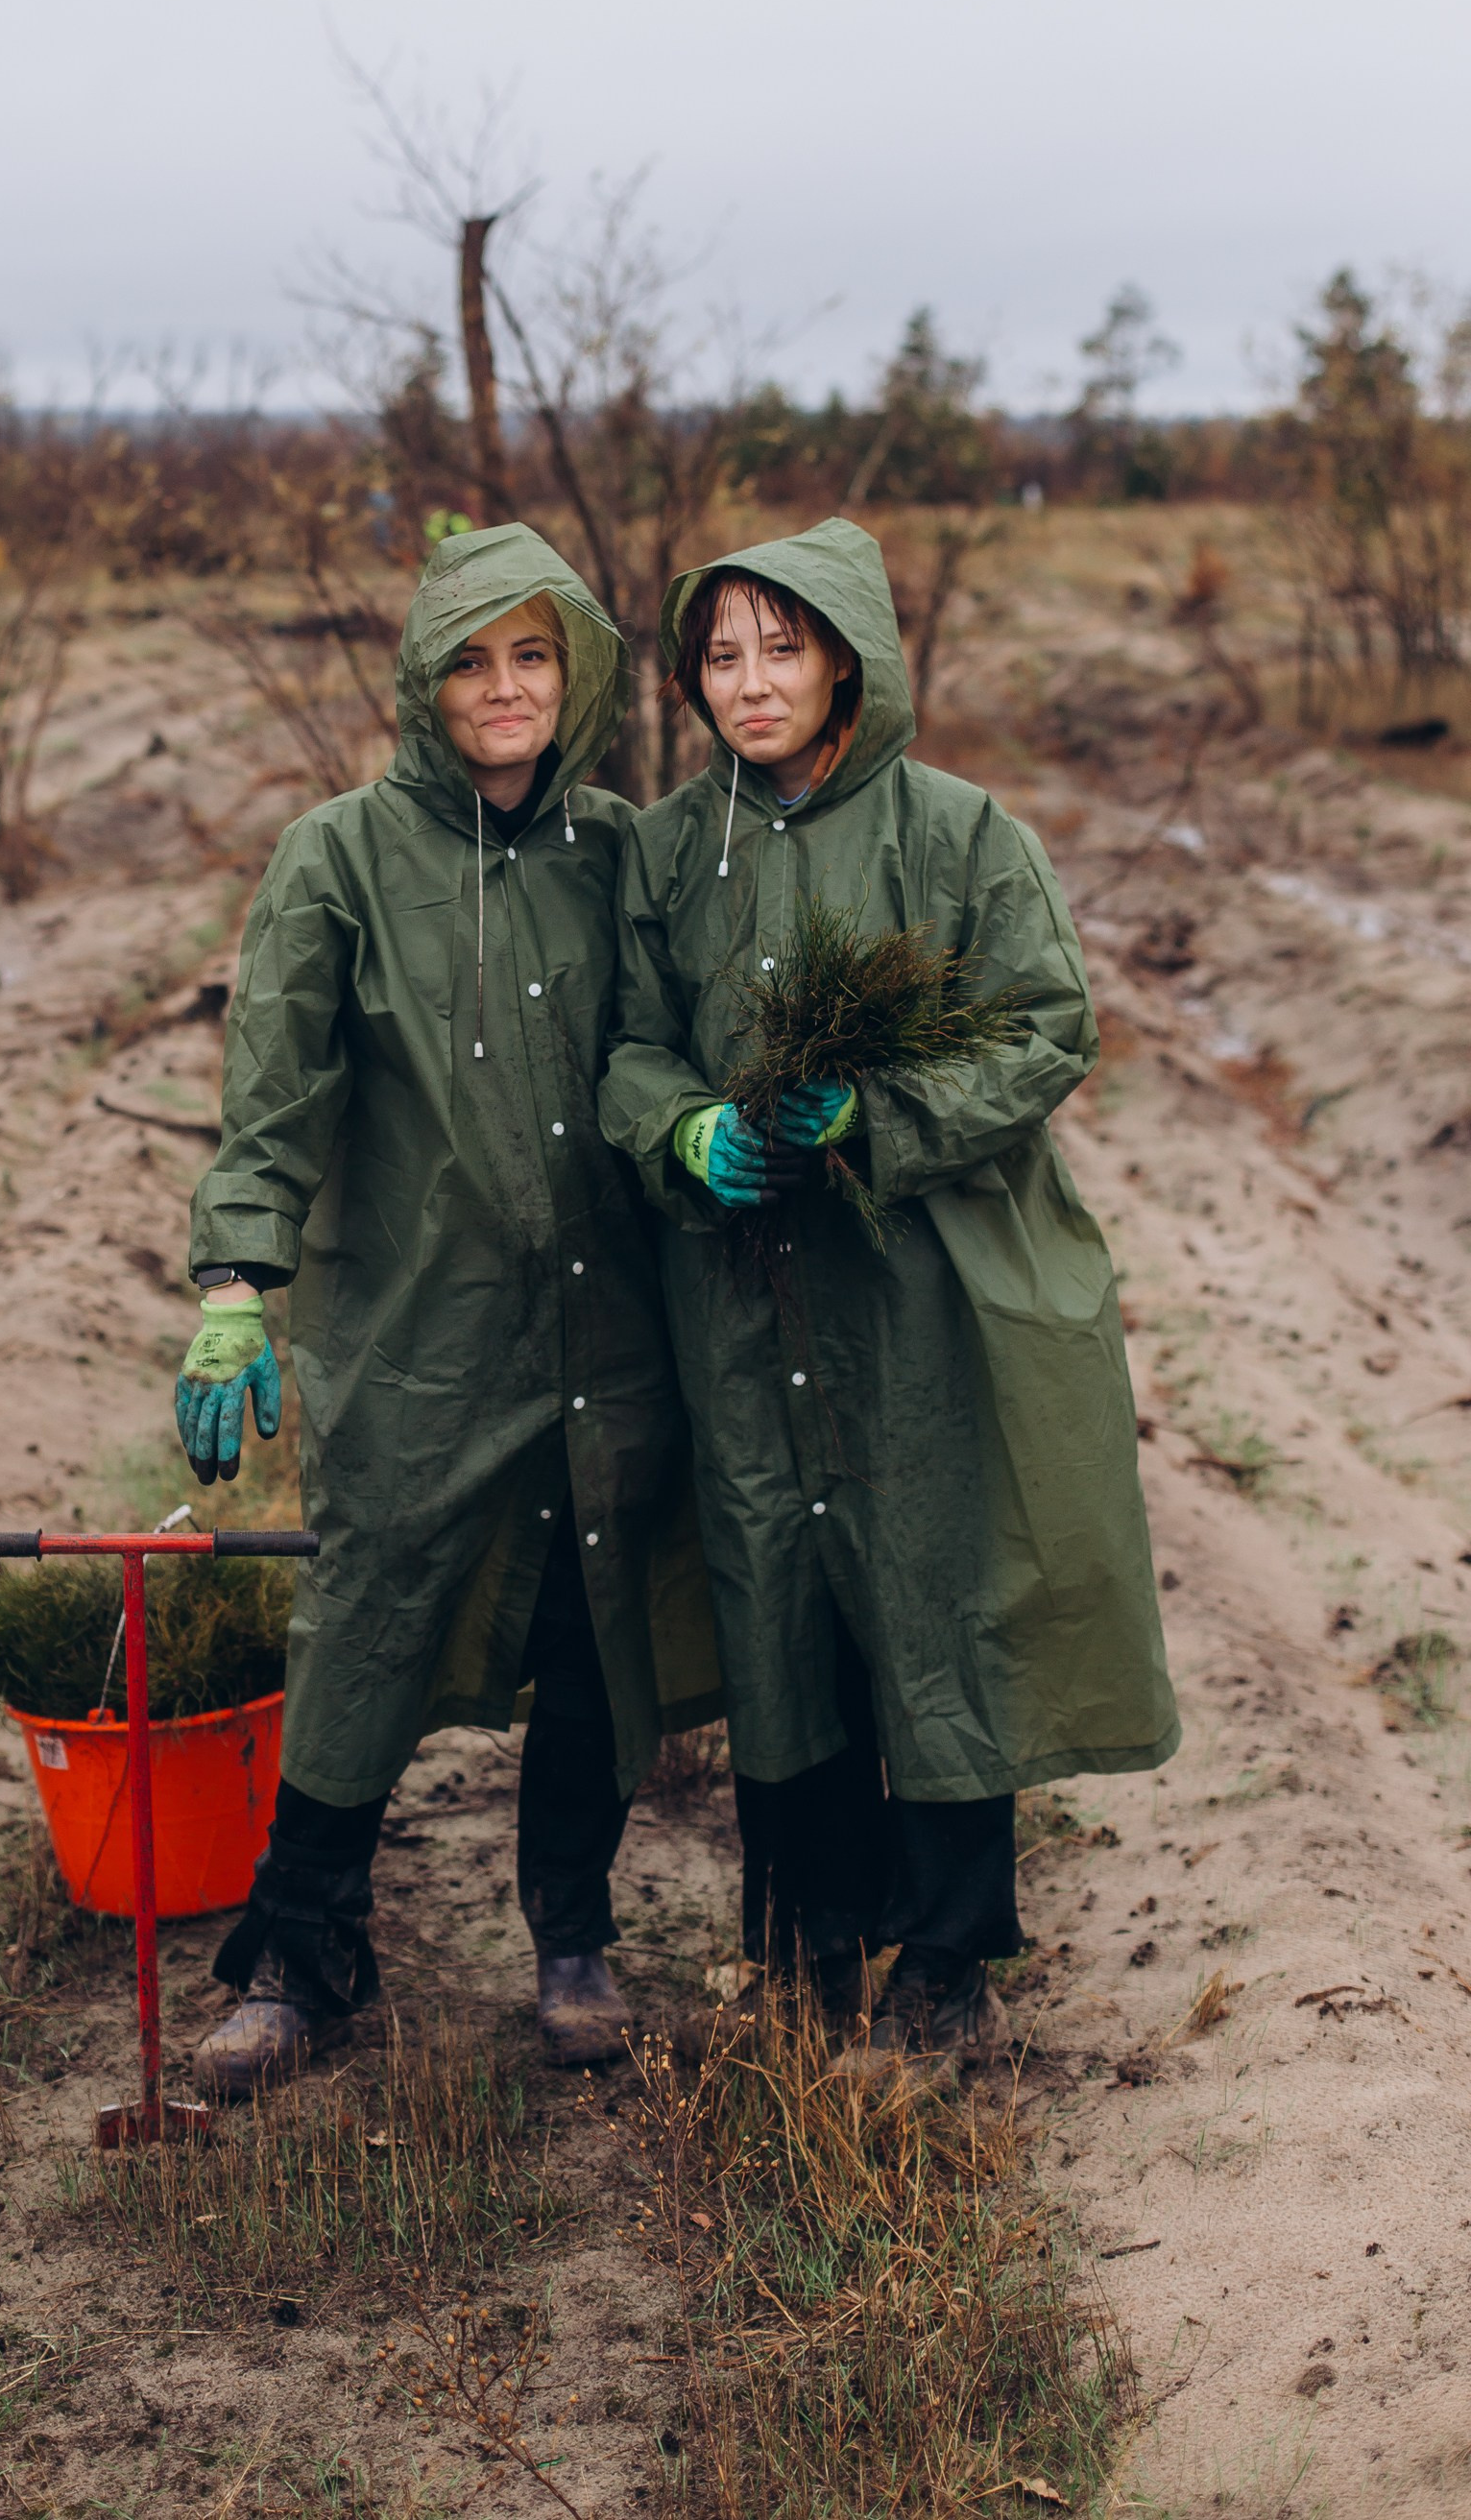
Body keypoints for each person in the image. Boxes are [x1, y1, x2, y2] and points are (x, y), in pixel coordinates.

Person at [598, 517, 1177, 2072]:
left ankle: (945, 1958)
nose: (750, 680)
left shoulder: (960, 832)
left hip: (915, 1287)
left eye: (781, 646)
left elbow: (1048, 1026)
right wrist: (683, 1127)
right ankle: (801, 1940)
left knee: (931, 1588)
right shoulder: (670, 851)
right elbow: (630, 1048)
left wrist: (880, 1119)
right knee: (778, 1595)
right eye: (721, 653)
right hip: (743, 1293)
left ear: (847, 650)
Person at [177, 522, 718, 2093]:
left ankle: (573, 1938)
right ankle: (302, 1957)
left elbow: (663, 1053)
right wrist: (234, 1290)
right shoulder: (336, 857)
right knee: (367, 1616)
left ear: (578, 674)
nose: (505, 689)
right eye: (473, 659)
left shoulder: (620, 848)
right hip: (416, 1330)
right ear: (424, 681)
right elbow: (272, 1103)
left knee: (590, 1625)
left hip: (605, 1330)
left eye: (534, 655)